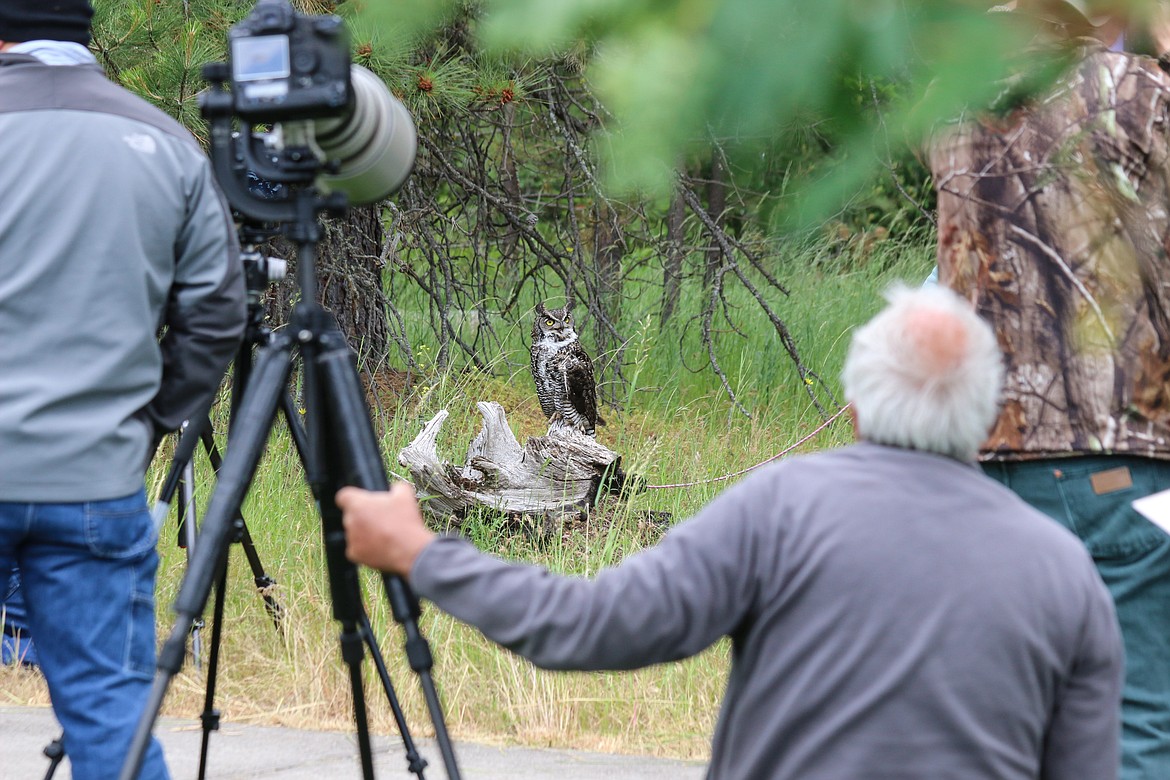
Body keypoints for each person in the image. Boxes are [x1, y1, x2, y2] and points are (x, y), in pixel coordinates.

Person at [339, 284, 1124, 780]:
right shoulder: (1065, 571)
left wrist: (422, 553)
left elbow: (586, 626)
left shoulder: (780, 506)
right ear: (991, 421)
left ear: (851, 410)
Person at [0, 1, 247, 777]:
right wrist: (149, 423)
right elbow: (217, 315)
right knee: (112, 713)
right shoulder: (166, 142)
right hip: (96, 478)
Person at [929, 2, 1170, 777]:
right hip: (1122, 456)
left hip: (987, 463)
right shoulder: (1136, 94)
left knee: (1004, 724)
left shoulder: (950, 112)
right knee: (1135, 721)